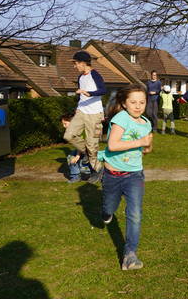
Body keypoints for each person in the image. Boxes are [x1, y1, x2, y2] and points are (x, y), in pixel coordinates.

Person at [97, 84, 153, 271]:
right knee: (109, 207)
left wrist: (146, 146)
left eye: (142, 102)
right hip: (112, 174)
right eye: (133, 102)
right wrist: (140, 142)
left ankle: (130, 255)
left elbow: (146, 148)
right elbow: (112, 145)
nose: (138, 106)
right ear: (124, 103)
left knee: (135, 213)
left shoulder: (146, 123)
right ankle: (106, 212)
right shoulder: (121, 118)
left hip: (134, 174)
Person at [63, 51, 106, 183]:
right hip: (81, 111)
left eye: (75, 63)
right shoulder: (81, 77)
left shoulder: (95, 75)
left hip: (94, 114)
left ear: (83, 63)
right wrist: (78, 107)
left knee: (92, 145)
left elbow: (103, 90)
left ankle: (98, 170)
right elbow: (81, 95)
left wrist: (89, 93)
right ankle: (87, 153)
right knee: (68, 135)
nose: (74, 66)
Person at [61, 112, 92, 183]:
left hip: (88, 150)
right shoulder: (72, 132)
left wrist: (77, 156)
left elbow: (84, 145)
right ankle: (76, 176)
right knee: (71, 157)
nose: (64, 126)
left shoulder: (80, 131)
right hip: (81, 150)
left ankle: (91, 173)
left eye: (65, 124)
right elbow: (79, 146)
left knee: (82, 162)